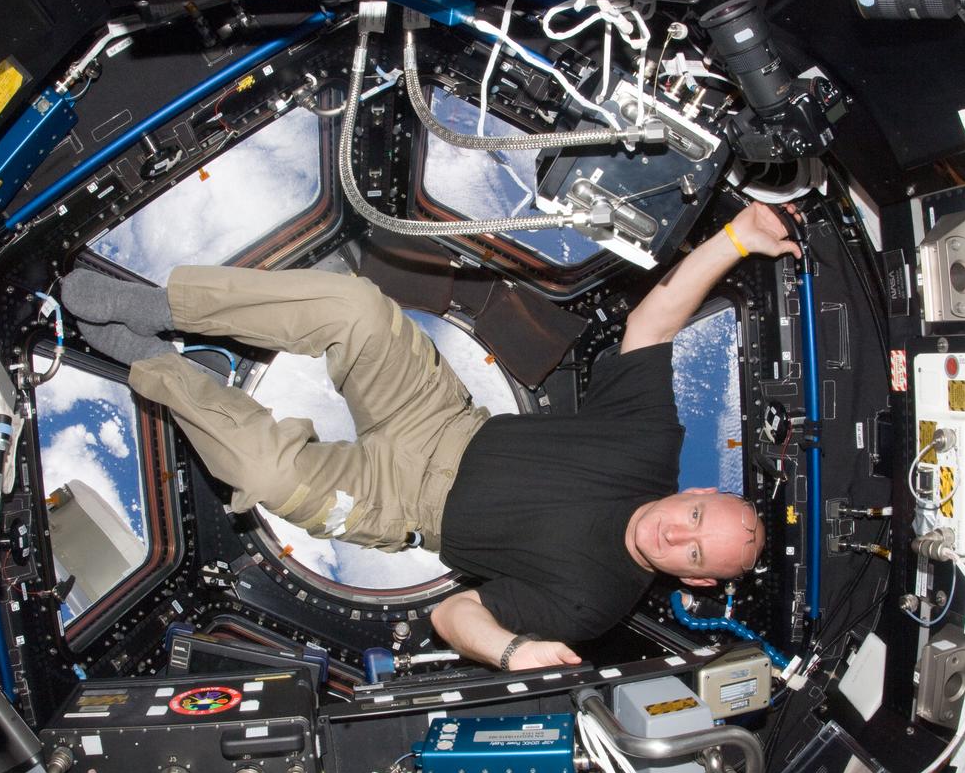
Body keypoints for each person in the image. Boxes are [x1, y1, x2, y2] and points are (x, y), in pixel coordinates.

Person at [60, 201, 801, 672]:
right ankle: (161, 305)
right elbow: (654, 323)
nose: (680, 534)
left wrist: (512, 652)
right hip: (439, 417)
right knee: (355, 306)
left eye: (697, 554)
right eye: (699, 516)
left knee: (266, 475)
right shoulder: (647, 443)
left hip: (401, 507)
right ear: (700, 492)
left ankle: (155, 366)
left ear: (696, 579)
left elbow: (453, 615)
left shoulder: (593, 602)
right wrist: (738, 238)